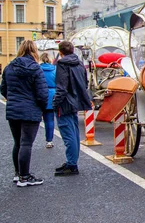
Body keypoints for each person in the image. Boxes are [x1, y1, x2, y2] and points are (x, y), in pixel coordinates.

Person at [0, 40, 48, 186]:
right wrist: (41, 107)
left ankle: (18, 173)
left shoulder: (9, 67)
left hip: (13, 110)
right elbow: (42, 93)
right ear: (34, 51)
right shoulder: (35, 68)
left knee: (18, 143)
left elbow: (3, 89)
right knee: (26, 143)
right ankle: (25, 177)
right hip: (30, 110)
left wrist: (12, 99)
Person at [53, 40, 92, 176]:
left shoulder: (62, 64)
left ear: (60, 52)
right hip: (76, 102)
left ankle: (71, 164)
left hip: (65, 103)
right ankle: (72, 161)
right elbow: (85, 83)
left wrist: (55, 103)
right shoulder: (80, 64)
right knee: (74, 133)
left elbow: (61, 88)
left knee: (68, 134)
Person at [40, 53, 57, 148]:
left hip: (39, 95)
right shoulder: (55, 69)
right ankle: (49, 141)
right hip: (51, 95)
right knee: (49, 120)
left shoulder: (37, 69)